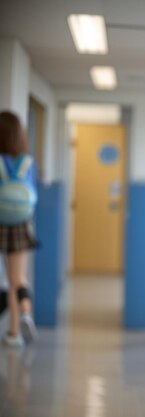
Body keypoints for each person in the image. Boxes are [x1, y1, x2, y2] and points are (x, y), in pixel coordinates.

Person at [0, 111, 38, 348]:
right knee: (18, 278)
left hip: (1, 222)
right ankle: (21, 320)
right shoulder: (28, 163)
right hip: (22, 224)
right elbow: (33, 196)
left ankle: (13, 332)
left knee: (5, 279)